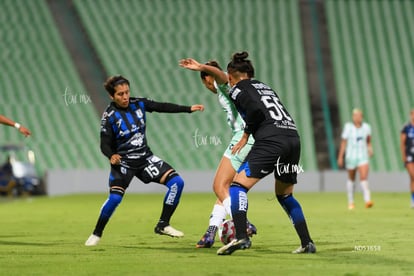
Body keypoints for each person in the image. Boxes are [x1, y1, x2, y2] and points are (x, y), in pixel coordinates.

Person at [85, 75, 204, 246]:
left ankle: (163, 224)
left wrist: (188, 108)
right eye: (120, 94)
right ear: (112, 96)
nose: (125, 97)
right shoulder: (109, 116)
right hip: (124, 163)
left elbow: (161, 106)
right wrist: (111, 155)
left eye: (126, 92)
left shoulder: (138, 103)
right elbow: (104, 144)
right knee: (115, 199)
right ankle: (97, 233)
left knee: (177, 182)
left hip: (145, 158)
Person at [216, 51, 315, 255]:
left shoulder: (237, 89)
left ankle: (241, 237)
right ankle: (307, 243)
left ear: (231, 76)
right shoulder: (266, 87)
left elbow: (255, 111)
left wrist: (245, 135)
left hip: (271, 140)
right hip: (293, 138)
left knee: (237, 186)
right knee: (285, 195)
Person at [179, 58, 256, 248]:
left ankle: (242, 224)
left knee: (219, 185)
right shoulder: (233, 88)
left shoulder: (224, 85)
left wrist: (203, 67)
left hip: (243, 138)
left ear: (206, 79)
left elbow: (221, 77)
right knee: (225, 189)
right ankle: (210, 232)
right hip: (254, 138)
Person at [337, 108, 374, 210]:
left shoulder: (367, 127)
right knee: (351, 179)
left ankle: (367, 200)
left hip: (363, 156)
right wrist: (340, 157)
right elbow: (343, 143)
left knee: (363, 177)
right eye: (356, 115)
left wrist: (370, 149)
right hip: (351, 156)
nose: (358, 117)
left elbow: (368, 140)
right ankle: (351, 202)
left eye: (360, 115)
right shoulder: (348, 127)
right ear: (353, 117)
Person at [400, 109, 414, 208]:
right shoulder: (406, 128)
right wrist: (403, 156)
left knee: (412, 179)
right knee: (413, 176)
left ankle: (412, 198)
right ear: (410, 115)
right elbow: (402, 143)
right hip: (409, 155)